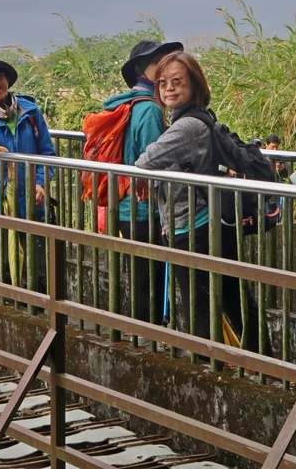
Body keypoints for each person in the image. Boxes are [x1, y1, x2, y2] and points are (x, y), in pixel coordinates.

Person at [134, 50, 264, 354]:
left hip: (194, 227)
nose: (169, 88)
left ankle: (210, 363)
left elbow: (144, 161)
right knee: (233, 298)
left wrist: (145, 177)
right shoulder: (196, 118)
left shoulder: (187, 126)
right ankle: (261, 362)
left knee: (200, 301)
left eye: (178, 81)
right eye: (163, 82)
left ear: (195, 84)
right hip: (211, 222)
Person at [101, 39, 182, 324]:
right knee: (150, 277)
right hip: (145, 208)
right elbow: (155, 159)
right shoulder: (148, 109)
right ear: (142, 69)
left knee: (140, 274)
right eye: (157, 62)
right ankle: (148, 337)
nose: (164, 67)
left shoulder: (126, 102)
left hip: (126, 205)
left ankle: (140, 334)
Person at [0, 55, 56, 289]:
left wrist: (40, 184)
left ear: (7, 79)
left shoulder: (30, 111)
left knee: (36, 269)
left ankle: (36, 315)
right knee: (2, 269)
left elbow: (47, 154)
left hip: (31, 200)